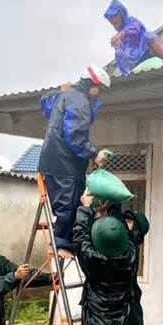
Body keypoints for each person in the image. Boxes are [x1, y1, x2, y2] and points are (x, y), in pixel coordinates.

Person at [72, 193, 154, 325]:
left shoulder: (94, 259)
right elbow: (116, 230)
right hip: (121, 322)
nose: (124, 224)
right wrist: (108, 206)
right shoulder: (130, 254)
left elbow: (80, 239)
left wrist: (85, 208)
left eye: (129, 223)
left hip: (100, 324)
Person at [37, 65, 111, 260]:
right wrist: (94, 154)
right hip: (64, 164)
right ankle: (61, 243)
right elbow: (75, 136)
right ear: (91, 84)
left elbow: (44, 103)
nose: (99, 94)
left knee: (73, 201)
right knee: (68, 204)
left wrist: (58, 90)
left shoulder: (64, 95)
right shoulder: (79, 102)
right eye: (99, 89)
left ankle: (69, 242)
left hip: (53, 161)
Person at [104, 0, 163, 75]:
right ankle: (128, 76)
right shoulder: (119, 41)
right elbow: (121, 59)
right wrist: (118, 48)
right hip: (135, 66)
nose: (113, 20)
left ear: (121, 13)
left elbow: (135, 28)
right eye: (111, 18)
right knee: (119, 53)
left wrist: (122, 33)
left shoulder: (131, 21)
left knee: (149, 35)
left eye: (115, 16)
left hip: (147, 52)